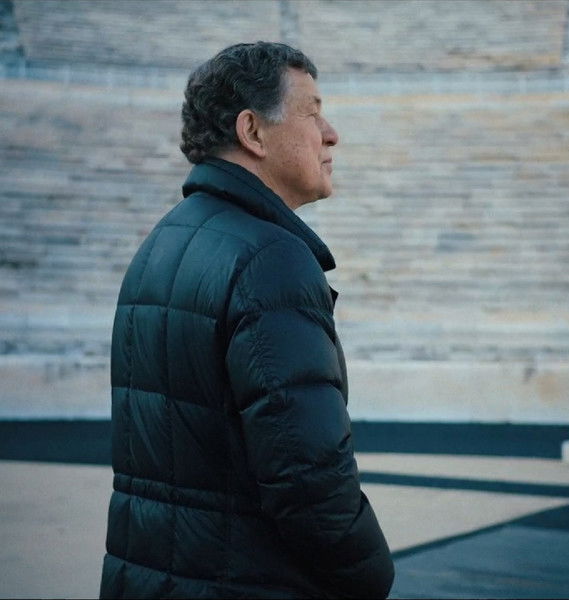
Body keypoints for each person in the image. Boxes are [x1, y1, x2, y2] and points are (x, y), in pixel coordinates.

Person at [100, 41, 394, 599]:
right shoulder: (271, 260)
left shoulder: (163, 241)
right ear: (252, 132)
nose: (331, 134)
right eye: (312, 113)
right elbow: (307, 477)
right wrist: (372, 574)